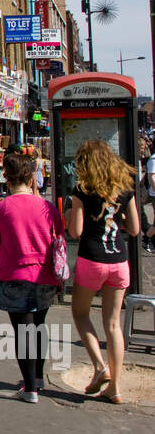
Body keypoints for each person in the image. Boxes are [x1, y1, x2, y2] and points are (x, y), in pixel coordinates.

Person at [0, 151, 65, 401]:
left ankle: (29, 388)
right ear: (31, 179)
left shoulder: (2, 208)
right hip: (45, 275)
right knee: (38, 326)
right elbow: (58, 241)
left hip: (15, 275)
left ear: (7, 179)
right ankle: (36, 378)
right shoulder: (46, 207)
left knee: (23, 331)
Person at [66, 139, 139, 404]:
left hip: (92, 259)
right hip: (119, 260)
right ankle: (115, 388)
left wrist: (67, 216)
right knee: (113, 324)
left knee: (80, 313)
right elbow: (134, 229)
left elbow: (76, 231)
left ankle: (99, 367)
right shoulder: (124, 189)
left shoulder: (81, 190)